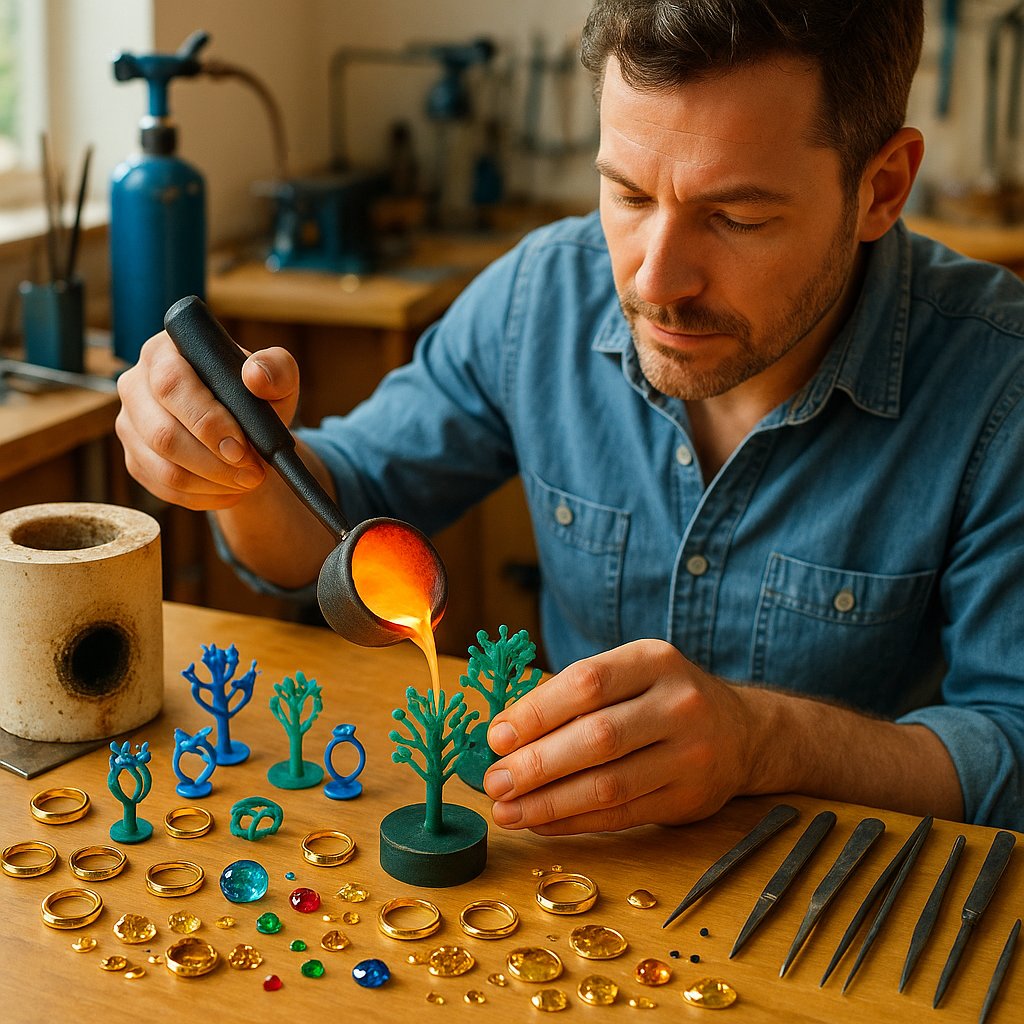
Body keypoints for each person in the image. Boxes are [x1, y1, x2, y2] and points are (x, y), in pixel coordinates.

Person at [116, 0, 1024, 833]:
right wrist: (230, 462)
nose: (653, 281)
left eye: (737, 217)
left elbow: (1012, 751)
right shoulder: (538, 296)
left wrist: (767, 742)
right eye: (628, 195)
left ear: (883, 187)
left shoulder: (999, 382)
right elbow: (333, 525)